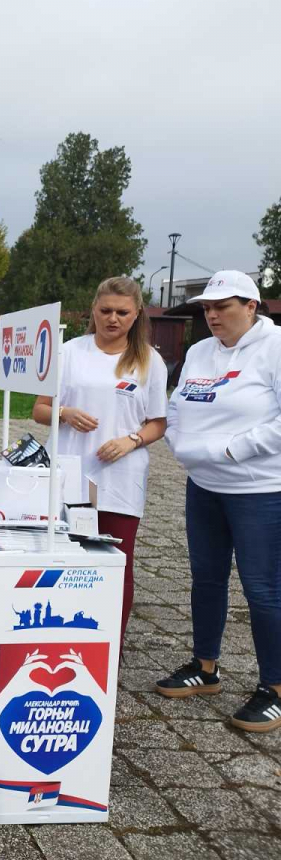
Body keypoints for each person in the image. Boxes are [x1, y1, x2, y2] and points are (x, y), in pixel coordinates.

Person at [154, 270, 281, 732]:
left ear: (251, 305)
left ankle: (275, 687)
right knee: (206, 579)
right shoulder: (198, 351)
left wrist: (231, 449)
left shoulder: (275, 348)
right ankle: (205, 668)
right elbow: (179, 406)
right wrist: (181, 444)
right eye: (207, 308)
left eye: (222, 306)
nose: (211, 315)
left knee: (263, 589)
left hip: (260, 490)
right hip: (204, 485)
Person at [31, 277, 167, 651]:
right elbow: (39, 410)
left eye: (122, 312)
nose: (113, 319)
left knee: (116, 567)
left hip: (119, 479)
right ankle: (58, 638)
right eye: (105, 310)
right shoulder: (69, 351)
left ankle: (109, 650)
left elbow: (158, 422)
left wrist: (131, 440)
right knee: (64, 560)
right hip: (69, 474)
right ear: (93, 310)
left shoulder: (149, 361)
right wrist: (65, 412)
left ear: (137, 314)